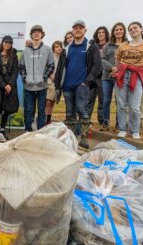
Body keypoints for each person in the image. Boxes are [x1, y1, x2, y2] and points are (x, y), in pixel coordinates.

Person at [55, 20, 102, 149]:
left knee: (82, 109)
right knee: (69, 112)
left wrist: (87, 81)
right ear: (72, 30)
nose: (78, 30)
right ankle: (70, 139)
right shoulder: (67, 48)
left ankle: (84, 138)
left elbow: (97, 65)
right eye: (75, 28)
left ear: (85, 30)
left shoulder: (90, 46)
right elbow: (60, 68)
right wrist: (58, 86)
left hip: (82, 85)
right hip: (67, 86)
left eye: (80, 28)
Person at [114, 22, 143, 139]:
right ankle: (122, 129)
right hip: (122, 75)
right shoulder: (123, 46)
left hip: (137, 75)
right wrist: (120, 71)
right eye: (130, 29)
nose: (132, 30)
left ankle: (134, 130)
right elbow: (117, 60)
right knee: (121, 104)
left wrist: (140, 73)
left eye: (135, 28)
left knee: (135, 106)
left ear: (141, 29)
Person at [20, 25, 55, 132]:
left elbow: (51, 65)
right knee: (29, 110)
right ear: (31, 35)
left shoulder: (47, 49)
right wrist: (25, 78)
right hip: (28, 86)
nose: (36, 33)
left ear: (42, 34)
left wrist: (44, 78)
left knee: (41, 110)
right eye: (34, 32)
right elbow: (21, 67)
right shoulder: (25, 51)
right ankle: (28, 130)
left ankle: (40, 131)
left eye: (38, 32)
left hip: (42, 86)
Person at [100, 22, 128, 131]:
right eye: (116, 30)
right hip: (107, 77)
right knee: (106, 100)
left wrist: (120, 70)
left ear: (124, 31)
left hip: (121, 76)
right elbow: (102, 59)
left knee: (119, 101)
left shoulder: (128, 45)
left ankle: (119, 123)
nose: (118, 31)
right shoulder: (107, 45)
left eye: (121, 29)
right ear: (113, 32)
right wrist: (111, 68)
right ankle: (106, 122)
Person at [0, 35, 19, 137]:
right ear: (2, 42)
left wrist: (9, 84)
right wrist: (3, 85)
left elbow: (16, 71)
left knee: (6, 108)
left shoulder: (14, 55)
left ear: (11, 44)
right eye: (6, 42)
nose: (7, 44)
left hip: (10, 86)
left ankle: (2, 128)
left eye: (9, 42)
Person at [87, 26, 109, 125]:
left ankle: (102, 120)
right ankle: (86, 119)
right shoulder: (93, 46)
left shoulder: (109, 46)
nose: (100, 34)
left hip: (104, 77)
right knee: (89, 99)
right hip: (93, 77)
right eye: (99, 32)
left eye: (103, 32)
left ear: (106, 34)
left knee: (102, 100)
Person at [45, 40, 62, 125]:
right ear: (53, 48)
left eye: (60, 46)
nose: (59, 48)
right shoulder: (50, 57)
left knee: (52, 103)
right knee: (48, 102)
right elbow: (46, 68)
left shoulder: (62, 58)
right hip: (50, 81)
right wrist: (52, 77)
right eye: (57, 46)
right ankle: (44, 119)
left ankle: (48, 119)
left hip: (58, 83)